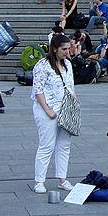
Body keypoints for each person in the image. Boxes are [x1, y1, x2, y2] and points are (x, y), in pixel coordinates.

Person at [30, 34, 75, 194]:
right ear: (54, 48)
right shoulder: (42, 65)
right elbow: (38, 89)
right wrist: (47, 109)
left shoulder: (68, 65)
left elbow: (70, 88)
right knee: (46, 145)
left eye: (68, 49)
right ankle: (39, 181)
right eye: (64, 49)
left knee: (64, 145)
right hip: (47, 110)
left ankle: (62, 179)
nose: (67, 52)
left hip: (65, 109)